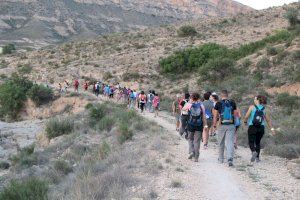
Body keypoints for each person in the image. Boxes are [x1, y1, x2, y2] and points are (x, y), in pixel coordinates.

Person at [244, 95, 276, 163]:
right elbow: (268, 120)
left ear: (258, 100)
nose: (254, 100)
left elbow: (246, 116)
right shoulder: (264, 109)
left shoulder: (252, 107)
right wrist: (272, 129)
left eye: (255, 99)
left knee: (251, 141)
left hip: (252, 127)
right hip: (261, 128)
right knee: (258, 142)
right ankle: (257, 158)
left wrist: (245, 122)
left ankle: (253, 152)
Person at [213, 90, 237, 167]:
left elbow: (215, 115)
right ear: (227, 95)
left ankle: (221, 159)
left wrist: (214, 125)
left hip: (221, 125)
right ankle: (230, 158)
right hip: (231, 124)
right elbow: (235, 114)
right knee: (230, 142)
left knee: (221, 142)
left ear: (221, 95)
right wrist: (235, 124)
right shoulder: (232, 102)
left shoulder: (218, 103)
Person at [181, 93, 208, 162]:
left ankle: (192, 151)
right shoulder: (201, 105)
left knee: (190, 139)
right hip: (199, 125)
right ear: (198, 98)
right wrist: (205, 125)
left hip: (191, 124)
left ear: (192, 98)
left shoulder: (190, 104)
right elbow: (204, 116)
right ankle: (196, 157)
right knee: (197, 141)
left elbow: (183, 109)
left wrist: (189, 102)